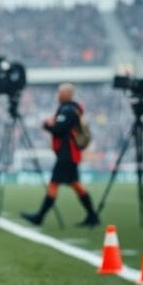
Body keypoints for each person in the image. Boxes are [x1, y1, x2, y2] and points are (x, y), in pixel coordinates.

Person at [21, 83, 99, 228]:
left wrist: (47, 124)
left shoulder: (68, 110)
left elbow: (58, 129)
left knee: (54, 184)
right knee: (76, 184)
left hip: (67, 154)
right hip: (69, 154)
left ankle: (39, 217)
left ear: (67, 94)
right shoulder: (71, 109)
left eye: (60, 92)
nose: (57, 95)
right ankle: (92, 216)